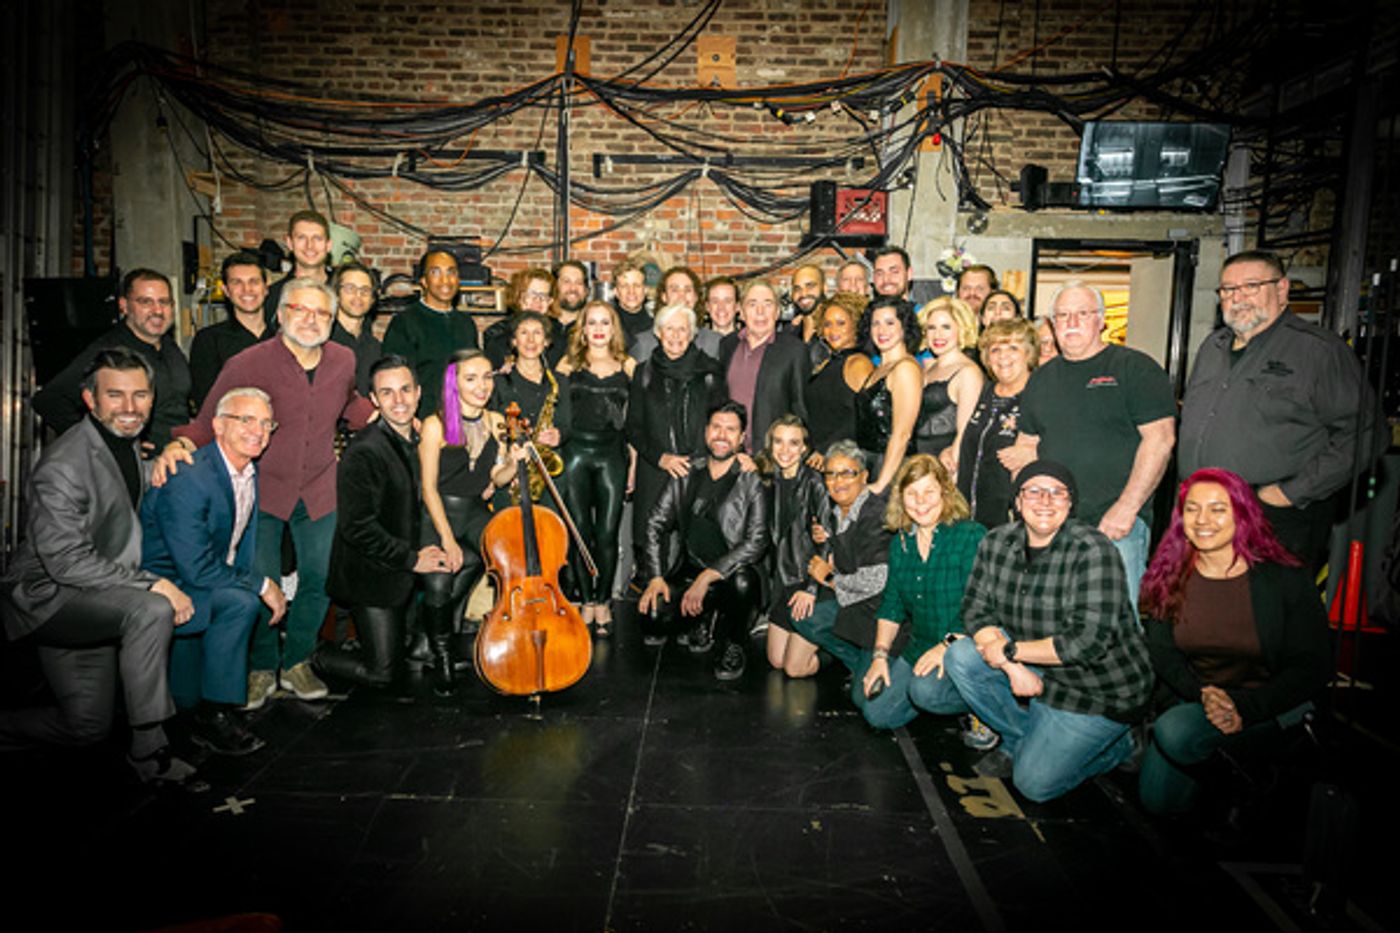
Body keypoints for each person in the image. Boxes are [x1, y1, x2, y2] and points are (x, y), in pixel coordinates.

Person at [162, 277, 374, 710]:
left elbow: (351, 403)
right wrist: (179, 444)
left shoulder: (343, 359)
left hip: (319, 488)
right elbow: (209, 419)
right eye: (301, 309)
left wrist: (391, 415)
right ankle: (261, 666)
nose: (311, 319)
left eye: (322, 313)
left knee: (320, 577)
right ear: (280, 313)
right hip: (263, 490)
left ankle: (296, 660)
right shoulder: (247, 363)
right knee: (262, 581)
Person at [1, 349, 197, 786]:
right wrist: (152, 583)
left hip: (95, 593)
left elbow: (121, 496)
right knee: (152, 608)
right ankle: (149, 748)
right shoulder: (63, 465)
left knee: (85, 727)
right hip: (50, 598)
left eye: (140, 395)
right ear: (90, 400)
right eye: (115, 395)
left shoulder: (123, 445)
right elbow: (66, 562)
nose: (130, 407)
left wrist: (172, 451)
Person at [944, 460, 1153, 802]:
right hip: (1037, 667)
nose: (1045, 500)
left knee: (1034, 785)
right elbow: (975, 610)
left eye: (1057, 492)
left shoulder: (1094, 549)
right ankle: (1019, 740)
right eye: (1034, 491)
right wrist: (1012, 667)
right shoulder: (996, 542)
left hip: (1097, 690)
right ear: (1017, 501)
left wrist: (1009, 652)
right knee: (961, 657)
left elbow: (1086, 643)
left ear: (1071, 504)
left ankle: (1122, 744)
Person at [1178, 249, 1388, 572]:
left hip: (1272, 520)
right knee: (1206, 602)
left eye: (1251, 286)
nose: (1238, 298)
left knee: (1266, 604)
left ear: (1282, 289)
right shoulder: (1212, 347)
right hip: (1202, 515)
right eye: (1228, 289)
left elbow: (1367, 434)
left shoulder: (1317, 351)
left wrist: (1289, 493)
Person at [1137, 468, 1332, 815]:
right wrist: (1203, 694)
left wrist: (1247, 707)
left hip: (1270, 706)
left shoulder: (1284, 578)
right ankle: (1232, 775)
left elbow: (1313, 664)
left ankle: (1255, 783)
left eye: (1218, 509)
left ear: (1242, 515)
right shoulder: (1168, 574)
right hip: (1201, 701)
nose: (1202, 519)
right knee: (1157, 804)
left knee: (1175, 732)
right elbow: (1163, 653)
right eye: (1193, 509)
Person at [140, 387, 287, 756]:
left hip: (199, 581)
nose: (258, 431)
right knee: (240, 603)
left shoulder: (246, 470)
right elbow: (195, 568)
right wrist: (261, 585)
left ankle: (189, 708)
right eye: (246, 420)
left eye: (266, 423)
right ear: (219, 425)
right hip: (159, 589)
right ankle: (214, 712)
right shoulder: (190, 475)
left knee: (229, 602)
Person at [1013, 281, 1176, 608]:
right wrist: (1029, 507)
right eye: (1063, 315)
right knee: (1054, 616)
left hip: (1116, 525)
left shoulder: (1134, 368)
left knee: (1114, 619)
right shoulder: (1041, 379)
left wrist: (1127, 508)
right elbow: (1027, 446)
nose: (1071, 322)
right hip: (1054, 524)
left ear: (1101, 320)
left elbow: (1160, 439)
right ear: (1052, 324)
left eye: (1082, 314)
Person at [315, 356, 449, 690]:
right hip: (371, 575)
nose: (399, 400)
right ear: (374, 399)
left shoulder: (418, 439)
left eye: (405, 390)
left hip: (400, 568)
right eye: (387, 393)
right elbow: (357, 528)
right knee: (384, 673)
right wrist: (412, 559)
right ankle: (313, 657)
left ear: (418, 393)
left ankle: (417, 640)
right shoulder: (364, 451)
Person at [638, 402, 769, 680]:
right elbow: (655, 523)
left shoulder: (750, 479)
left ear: (742, 437)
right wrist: (656, 577)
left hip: (733, 575)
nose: (722, 435)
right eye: (716, 427)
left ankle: (734, 643)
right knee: (653, 617)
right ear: (706, 431)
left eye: (730, 429)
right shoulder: (687, 472)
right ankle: (704, 615)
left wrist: (708, 576)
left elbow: (756, 542)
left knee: (743, 582)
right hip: (691, 568)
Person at [856, 455, 985, 730]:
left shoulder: (970, 536)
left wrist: (946, 646)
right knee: (877, 713)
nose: (921, 501)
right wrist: (880, 657)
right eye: (912, 494)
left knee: (925, 692)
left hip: (965, 645)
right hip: (920, 646)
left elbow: (981, 606)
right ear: (901, 498)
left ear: (945, 493)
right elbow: (892, 605)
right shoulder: (901, 543)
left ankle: (982, 707)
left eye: (929, 492)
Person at [419, 350, 519, 694]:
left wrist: (513, 463)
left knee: (504, 558)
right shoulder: (434, 424)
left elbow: (497, 478)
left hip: (476, 511)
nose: (482, 386)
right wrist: (447, 539)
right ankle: (442, 657)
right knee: (438, 582)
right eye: (471, 378)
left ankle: (439, 636)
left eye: (487, 377)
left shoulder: (496, 421)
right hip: (438, 512)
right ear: (454, 382)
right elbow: (428, 489)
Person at [33, 268, 192, 452]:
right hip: (143, 464)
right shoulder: (110, 350)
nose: (157, 310)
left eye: (164, 302)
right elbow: (49, 400)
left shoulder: (170, 347)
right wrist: (105, 445)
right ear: (124, 306)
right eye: (146, 302)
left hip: (179, 456)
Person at [625, 303, 727, 579]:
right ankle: (654, 600)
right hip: (655, 469)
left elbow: (722, 424)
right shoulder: (643, 372)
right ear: (658, 333)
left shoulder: (711, 372)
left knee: (696, 553)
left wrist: (702, 460)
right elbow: (633, 428)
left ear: (692, 334)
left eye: (682, 329)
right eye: (669, 329)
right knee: (651, 552)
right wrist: (661, 458)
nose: (675, 336)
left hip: (698, 471)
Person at [557, 300, 635, 636]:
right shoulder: (568, 364)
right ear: (583, 328)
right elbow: (553, 410)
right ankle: (586, 600)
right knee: (579, 532)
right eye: (592, 322)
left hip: (612, 455)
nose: (599, 329)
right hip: (574, 453)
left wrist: (633, 464)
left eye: (605, 322)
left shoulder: (629, 365)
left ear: (614, 328)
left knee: (607, 533)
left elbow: (635, 420)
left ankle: (603, 600)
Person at [793, 442, 892, 674]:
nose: (838, 482)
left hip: (877, 612)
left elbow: (877, 581)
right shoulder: (836, 512)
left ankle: (870, 663)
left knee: (872, 699)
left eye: (847, 473)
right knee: (802, 615)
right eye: (831, 474)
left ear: (864, 476)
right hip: (852, 600)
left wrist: (829, 578)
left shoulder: (876, 514)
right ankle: (857, 665)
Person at [759, 416, 832, 676]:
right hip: (783, 578)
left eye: (793, 443)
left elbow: (827, 540)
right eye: (779, 442)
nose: (785, 450)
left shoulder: (815, 482)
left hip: (808, 579)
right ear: (770, 445)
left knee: (794, 668)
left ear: (804, 448)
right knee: (776, 660)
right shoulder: (768, 480)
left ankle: (839, 656)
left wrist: (811, 588)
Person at [956, 318, 1040, 528]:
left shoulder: (1041, 395)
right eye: (995, 350)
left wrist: (1037, 453)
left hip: (1011, 521)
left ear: (1029, 353)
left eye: (1013, 348)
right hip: (968, 515)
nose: (1003, 356)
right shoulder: (983, 392)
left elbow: (1068, 444)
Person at [382, 249, 480, 416]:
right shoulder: (405, 322)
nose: (445, 280)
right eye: (435, 272)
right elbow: (395, 378)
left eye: (451, 272)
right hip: (421, 418)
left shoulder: (466, 323)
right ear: (424, 281)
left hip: (462, 417)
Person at [719, 279, 809, 452]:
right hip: (732, 452)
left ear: (777, 312)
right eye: (752, 304)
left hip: (773, 454)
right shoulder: (727, 345)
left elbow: (801, 408)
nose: (760, 312)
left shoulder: (794, 350)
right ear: (741, 312)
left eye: (768, 304)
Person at [489, 311, 572, 499]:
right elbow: (491, 432)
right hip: (511, 469)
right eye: (524, 332)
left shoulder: (559, 381)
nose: (531, 340)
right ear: (514, 341)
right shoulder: (499, 382)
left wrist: (558, 435)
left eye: (537, 333)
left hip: (549, 474)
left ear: (546, 341)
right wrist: (508, 468)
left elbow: (566, 425)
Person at [852, 296, 922, 493]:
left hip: (892, 469)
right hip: (869, 462)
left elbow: (902, 434)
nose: (882, 330)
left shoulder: (905, 368)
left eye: (890, 323)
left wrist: (881, 483)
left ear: (904, 327)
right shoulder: (880, 368)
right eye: (876, 323)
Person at [189, 252, 271, 408]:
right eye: (237, 282)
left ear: (266, 288)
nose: (247, 289)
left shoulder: (283, 339)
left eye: (254, 282)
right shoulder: (208, 341)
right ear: (226, 290)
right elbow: (206, 403)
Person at [805, 292, 874, 462]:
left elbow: (863, 418)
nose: (833, 330)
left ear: (856, 325)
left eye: (841, 323)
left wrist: (825, 450)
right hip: (820, 457)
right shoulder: (828, 362)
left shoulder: (859, 363)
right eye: (827, 324)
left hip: (844, 460)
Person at [915, 297, 984, 463]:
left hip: (946, 462)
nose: (937, 335)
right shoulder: (928, 368)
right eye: (931, 327)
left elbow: (966, 432)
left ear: (962, 329)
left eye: (946, 327)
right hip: (918, 459)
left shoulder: (968, 372)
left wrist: (954, 465)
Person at [632, 266, 722, 361]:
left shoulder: (714, 342)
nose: (681, 295)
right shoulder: (643, 344)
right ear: (664, 297)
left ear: (696, 297)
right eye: (674, 290)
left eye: (687, 290)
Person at [264, 210, 332, 327]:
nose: (309, 246)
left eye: (317, 238)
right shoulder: (273, 296)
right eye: (301, 238)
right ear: (290, 243)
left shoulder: (345, 292)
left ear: (328, 245)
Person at [483, 267, 556, 368]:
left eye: (543, 295)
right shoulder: (497, 333)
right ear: (518, 297)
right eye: (531, 294)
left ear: (550, 301)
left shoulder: (558, 334)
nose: (537, 300)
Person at [329, 261, 383, 396]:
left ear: (372, 299)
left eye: (365, 290)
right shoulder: (323, 342)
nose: (358, 296)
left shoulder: (375, 348)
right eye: (350, 289)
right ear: (336, 294)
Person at [610, 257, 653, 348]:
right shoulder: (607, 323)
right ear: (616, 291)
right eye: (624, 286)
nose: (631, 291)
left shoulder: (657, 323)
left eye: (637, 285)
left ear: (646, 290)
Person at [788, 263, 825, 339]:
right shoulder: (788, 332)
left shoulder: (835, 330)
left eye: (810, 286)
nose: (803, 294)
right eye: (797, 289)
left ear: (824, 288)